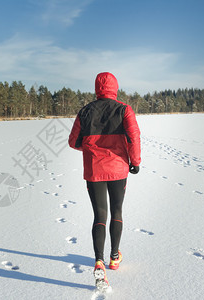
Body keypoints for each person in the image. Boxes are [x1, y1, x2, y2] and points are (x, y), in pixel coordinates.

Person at [68, 72, 141, 289]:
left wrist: (90, 148)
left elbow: (73, 141)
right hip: (118, 169)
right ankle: (114, 257)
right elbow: (133, 137)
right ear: (114, 87)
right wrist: (135, 161)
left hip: (94, 170)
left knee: (100, 214)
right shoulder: (124, 109)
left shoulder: (85, 111)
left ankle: (98, 260)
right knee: (116, 211)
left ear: (97, 89)